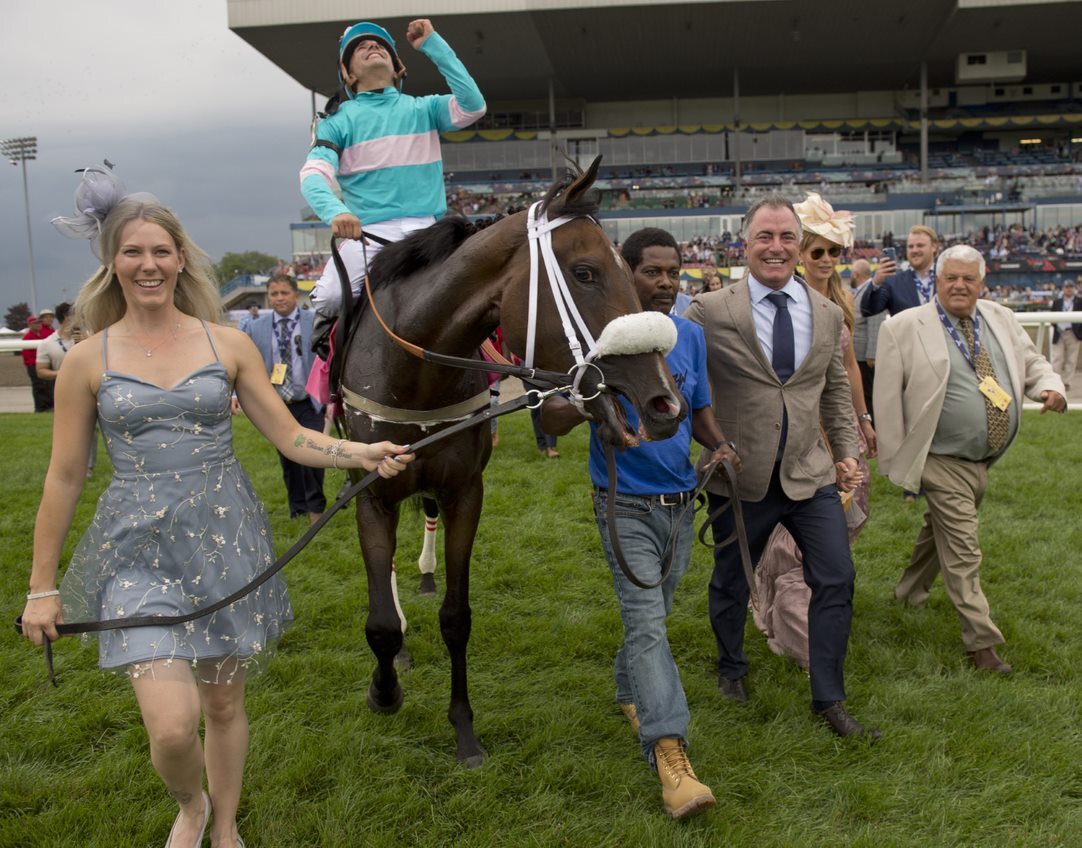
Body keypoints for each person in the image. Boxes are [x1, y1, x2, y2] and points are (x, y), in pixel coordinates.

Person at [22, 169, 413, 848]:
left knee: (224, 702)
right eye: (133, 252)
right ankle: (192, 803)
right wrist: (40, 587)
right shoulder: (86, 360)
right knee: (172, 728)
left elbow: (288, 435)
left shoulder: (226, 343)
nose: (149, 264)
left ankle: (225, 825)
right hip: (136, 549)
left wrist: (359, 452)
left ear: (181, 258)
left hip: (224, 540)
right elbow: (64, 476)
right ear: (113, 262)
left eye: (161, 251)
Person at [541, 227, 734, 819]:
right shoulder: (598, 340)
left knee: (655, 617)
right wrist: (588, 398)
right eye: (653, 271)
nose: (667, 282)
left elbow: (699, 412)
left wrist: (721, 446)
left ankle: (630, 691)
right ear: (627, 273)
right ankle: (671, 756)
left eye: (674, 272)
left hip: (681, 504)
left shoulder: (690, 336)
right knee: (648, 625)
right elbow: (550, 417)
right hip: (622, 504)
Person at [685, 195, 878, 739]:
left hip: (810, 475)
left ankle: (829, 697)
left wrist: (845, 451)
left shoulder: (827, 314)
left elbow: (833, 392)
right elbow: (685, 385)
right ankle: (731, 668)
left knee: (836, 576)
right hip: (738, 476)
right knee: (730, 578)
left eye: (787, 237)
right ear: (744, 245)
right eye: (765, 237)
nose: (776, 247)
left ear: (799, 243)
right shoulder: (709, 309)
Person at [874, 245, 1066, 674]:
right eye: (951, 278)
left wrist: (1049, 387)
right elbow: (886, 399)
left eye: (968, 279)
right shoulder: (903, 327)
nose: (959, 286)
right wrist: (897, 462)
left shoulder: (1000, 317)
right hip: (938, 458)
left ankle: (908, 593)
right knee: (963, 548)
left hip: (983, 459)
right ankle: (981, 643)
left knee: (939, 530)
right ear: (937, 281)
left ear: (982, 282)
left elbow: (1031, 361)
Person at [751, 193, 875, 670]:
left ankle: (820, 602)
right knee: (789, 534)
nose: (826, 259)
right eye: (817, 251)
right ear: (801, 253)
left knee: (839, 525)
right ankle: (786, 614)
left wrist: (863, 422)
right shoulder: (784, 300)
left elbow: (848, 369)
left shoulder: (841, 302)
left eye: (834, 251)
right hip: (799, 430)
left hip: (839, 428)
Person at [300, 18, 486, 320]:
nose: (373, 46)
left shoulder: (425, 108)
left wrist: (433, 45)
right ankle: (326, 349)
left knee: (480, 291)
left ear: (398, 67)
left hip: (429, 232)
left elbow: (473, 106)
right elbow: (312, 176)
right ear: (347, 74)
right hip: (369, 235)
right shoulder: (335, 122)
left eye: (381, 46)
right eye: (361, 47)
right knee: (331, 298)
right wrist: (336, 213)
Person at [243, 275, 327, 525]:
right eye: (274, 294)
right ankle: (297, 508)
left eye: (284, 293)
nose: (279, 298)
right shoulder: (256, 327)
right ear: (268, 297)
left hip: (309, 401)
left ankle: (316, 508)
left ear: (295, 295)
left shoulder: (314, 321)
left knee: (313, 454)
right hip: (277, 404)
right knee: (288, 459)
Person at [36, 314, 97, 474]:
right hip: (65, 393)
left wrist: (87, 343)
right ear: (66, 318)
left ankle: (88, 468)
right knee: (68, 430)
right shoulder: (48, 343)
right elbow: (41, 371)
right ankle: (65, 468)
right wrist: (63, 374)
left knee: (92, 430)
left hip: (91, 389)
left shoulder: (90, 339)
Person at [861, 225, 940, 318]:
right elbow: (867, 310)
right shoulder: (893, 282)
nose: (914, 250)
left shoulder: (946, 277)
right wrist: (876, 282)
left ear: (934, 247)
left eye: (920, 245)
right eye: (910, 246)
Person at [849, 258, 885, 421]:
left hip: (865, 356)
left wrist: (872, 354)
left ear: (855, 274)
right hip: (859, 354)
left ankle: (872, 426)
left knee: (868, 394)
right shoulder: (861, 290)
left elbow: (876, 322)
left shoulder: (871, 291)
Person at [1050, 278, 1081, 390]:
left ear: (1074, 289)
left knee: (1071, 359)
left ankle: (1067, 382)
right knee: (1057, 358)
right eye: (1067, 287)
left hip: (1073, 333)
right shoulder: (1057, 302)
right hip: (1059, 332)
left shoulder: (1079, 301)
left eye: (1071, 287)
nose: (1069, 289)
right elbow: (1052, 317)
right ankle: (1056, 382)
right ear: (1063, 289)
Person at [22, 313, 56, 412]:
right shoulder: (27, 337)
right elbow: (27, 356)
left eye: (39, 323)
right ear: (30, 325)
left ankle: (49, 406)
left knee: (48, 386)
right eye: (35, 323)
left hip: (44, 364)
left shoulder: (43, 334)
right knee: (39, 386)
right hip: (33, 365)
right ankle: (40, 407)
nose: (38, 325)